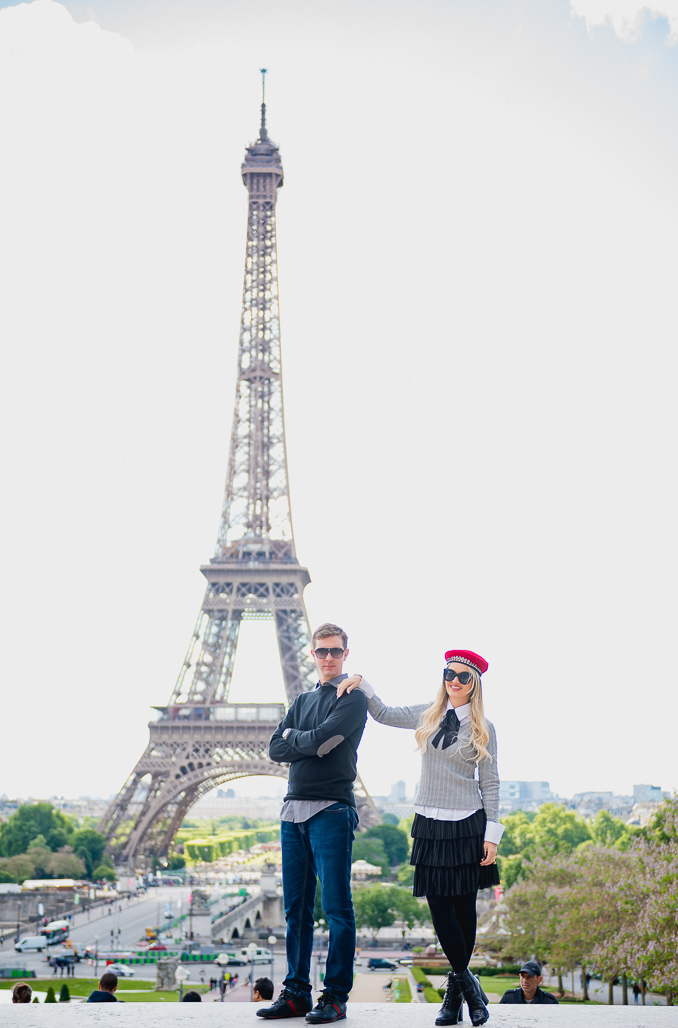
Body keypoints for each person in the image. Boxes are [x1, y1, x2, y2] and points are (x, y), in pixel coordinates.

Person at [338, 649, 501, 1028]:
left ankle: (453, 996)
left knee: (464, 910)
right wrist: (362, 683)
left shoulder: (483, 728)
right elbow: (382, 713)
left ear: (475, 684)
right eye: (450, 673)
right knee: (439, 909)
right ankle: (468, 985)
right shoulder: (426, 713)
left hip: (468, 824)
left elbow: (490, 783)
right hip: (429, 820)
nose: (455, 681)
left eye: (464, 677)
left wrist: (492, 834)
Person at [258, 623, 368, 1024]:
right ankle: (296, 992)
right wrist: (303, 739)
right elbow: (274, 748)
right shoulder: (302, 699)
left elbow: (324, 742)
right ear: (311, 654)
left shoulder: (353, 700)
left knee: (337, 907)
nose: (328, 658)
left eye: (335, 652)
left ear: (345, 654)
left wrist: (295, 739)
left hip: (331, 811)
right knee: (295, 910)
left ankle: (336, 996)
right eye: (321, 651)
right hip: (293, 812)